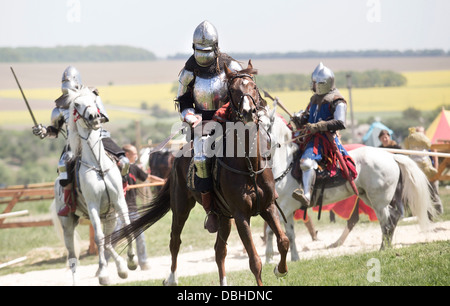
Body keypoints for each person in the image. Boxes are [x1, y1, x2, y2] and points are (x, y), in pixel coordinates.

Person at [32, 66, 130, 216]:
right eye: (64, 81)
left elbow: (104, 116)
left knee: (124, 161)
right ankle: (69, 201)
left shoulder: (92, 96)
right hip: (74, 142)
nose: (66, 84)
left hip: (99, 136)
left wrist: (94, 119)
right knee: (63, 166)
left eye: (69, 80)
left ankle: (121, 192)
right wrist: (45, 131)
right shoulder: (59, 108)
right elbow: (55, 131)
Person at [175, 20, 242, 233]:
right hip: (202, 122)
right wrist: (190, 116)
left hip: (230, 118)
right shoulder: (189, 71)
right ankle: (211, 209)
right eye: (199, 50)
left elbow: (241, 93)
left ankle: (266, 191)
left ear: (216, 47)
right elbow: (183, 101)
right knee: (202, 158)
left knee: (256, 144)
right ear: (193, 48)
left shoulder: (230, 66)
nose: (203, 55)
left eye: (207, 50)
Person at [291, 62, 356, 208]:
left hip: (325, 140)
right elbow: (308, 117)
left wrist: (318, 126)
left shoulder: (337, 100)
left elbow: (340, 122)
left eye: (315, 83)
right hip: (310, 138)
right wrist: (299, 119)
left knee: (307, 162)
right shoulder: (314, 99)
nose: (312, 85)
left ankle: (307, 195)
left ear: (322, 83)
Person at [122, 144, 150, 270]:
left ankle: (143, 262)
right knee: (112, 239)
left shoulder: (134, 168)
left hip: (133, 209)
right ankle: (103, 264)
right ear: (127, 155)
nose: (136, 156)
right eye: (134, 154)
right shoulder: (116, 169)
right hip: (119, 211)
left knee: (140, 236)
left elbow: (147, 177)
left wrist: (164, 181)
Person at [403, 127, 443, 214]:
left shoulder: (429, 142)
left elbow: (435, 156)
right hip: (419, 172)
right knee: (420, 194)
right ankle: (422, 212)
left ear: (424, 133)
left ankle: (439, 211)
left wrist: (436, 169)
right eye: (417, 132)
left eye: (420, 132)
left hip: (430, 171)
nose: (418, 134)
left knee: (434, 192)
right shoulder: (413, 144)